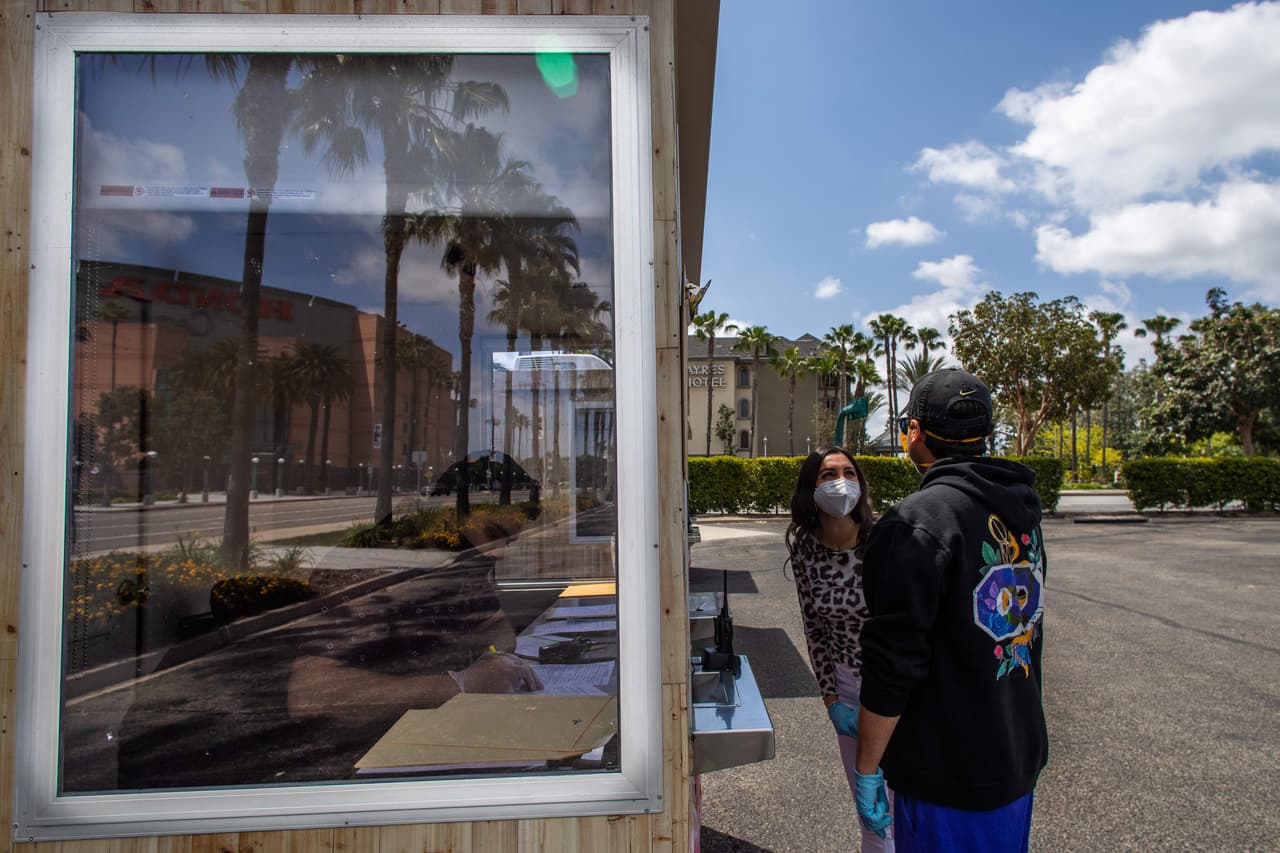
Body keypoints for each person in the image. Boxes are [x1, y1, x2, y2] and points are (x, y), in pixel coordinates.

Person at [854, 368, 1047, 852]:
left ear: (914, 432)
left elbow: (893, 663)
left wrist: (867, 768)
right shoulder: (1018, 507)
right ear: (985, 435)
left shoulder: (915, 522)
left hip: (948, 773)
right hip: (1014, 758)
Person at [785, 445, 894, 852]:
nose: (840, 481)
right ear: (810, 487)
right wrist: (831, 697)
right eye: (828, 474)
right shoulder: (805, 552)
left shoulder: (882, 541)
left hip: (896, 686)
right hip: (848, 687)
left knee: (901, 801)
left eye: (849, 472)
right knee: (870, 812)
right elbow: (814, 629)